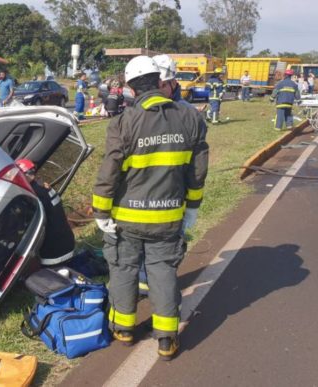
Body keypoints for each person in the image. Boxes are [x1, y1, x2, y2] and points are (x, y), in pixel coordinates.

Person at [92, 55, 209, 360]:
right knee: (162, 270)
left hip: (127, 219)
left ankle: (124, 329)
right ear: (160, 82)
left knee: (123, 268)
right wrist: (192, 207)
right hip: (169, 216)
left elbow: (110, 172)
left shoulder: (123, 122)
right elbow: (197, 171)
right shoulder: (191, 119)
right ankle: (167, 339)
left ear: (130, 89)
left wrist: (101, 212)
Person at [16, 159, 75, 266]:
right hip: (68, 242)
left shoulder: (33, 195)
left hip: (54, 254)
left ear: (24, 174)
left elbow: (25, 224)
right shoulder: (42, 186)